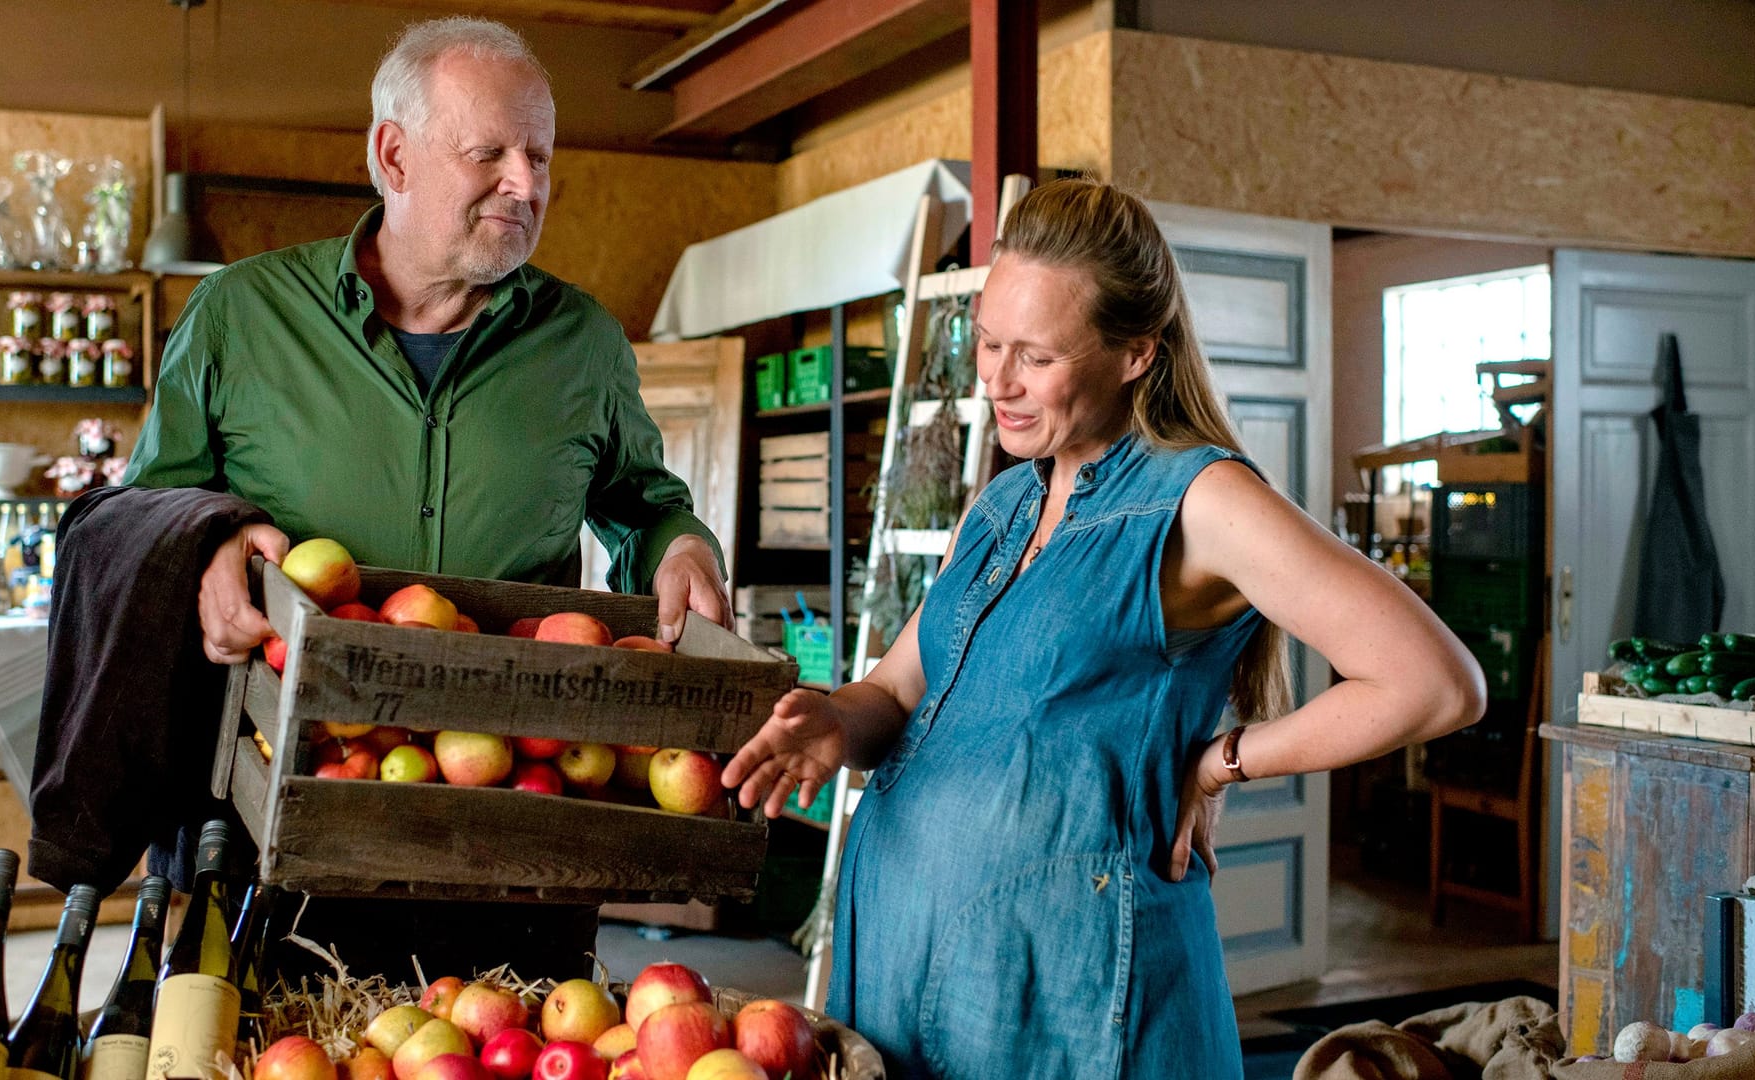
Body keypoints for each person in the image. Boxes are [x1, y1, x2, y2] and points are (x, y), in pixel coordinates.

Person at [722, 179, 1486, 1079]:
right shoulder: (1006, 504)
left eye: (1035, 357)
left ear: (1135, 353)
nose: (996, 381)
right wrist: (833, 722)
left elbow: (1436, 682)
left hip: (1068, 1008)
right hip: (903, 977)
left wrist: (1221, 763)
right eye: (988, 341)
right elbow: (898, 687)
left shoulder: (1201, 500)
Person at [120, 17, 729, 980]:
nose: (525, 185)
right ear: (392, 155)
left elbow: (643, 504)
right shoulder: (241, 316)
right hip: (280, 812)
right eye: (489, 152)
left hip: (512, 832)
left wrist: (682, 546)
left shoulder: (585, 344)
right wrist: (203, 545)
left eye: (539, 155)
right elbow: (147, 515)